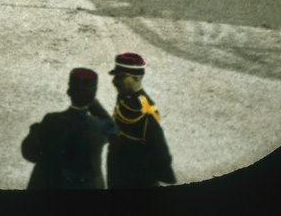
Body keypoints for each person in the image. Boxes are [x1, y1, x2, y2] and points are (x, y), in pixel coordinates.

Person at [20, 67, 116, 189]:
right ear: (94, 94)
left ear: (69, 91)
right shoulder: (99, 128)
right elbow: (113, 126)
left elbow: (30, 154)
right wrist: (90, 98)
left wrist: (34, 131)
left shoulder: (51, 121)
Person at [106, 52, 176, 188]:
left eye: (121, 77)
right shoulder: (123, 97)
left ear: (137, 78)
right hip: (117, 175)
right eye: (116, 76)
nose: (114, 81)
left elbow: (161, 153)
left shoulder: (145, 112)